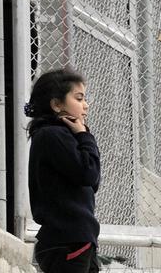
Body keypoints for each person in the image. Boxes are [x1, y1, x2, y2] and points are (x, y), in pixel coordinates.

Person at [26, 69, 101, 273]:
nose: (85, 105)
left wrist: (82, 136)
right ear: (57, 104)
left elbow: (91, 182)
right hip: (67, 240)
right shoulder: (52, 135)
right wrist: (85, 136)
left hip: (78, 238)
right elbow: (89, 173)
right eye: (79, 98)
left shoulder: (64, 136)